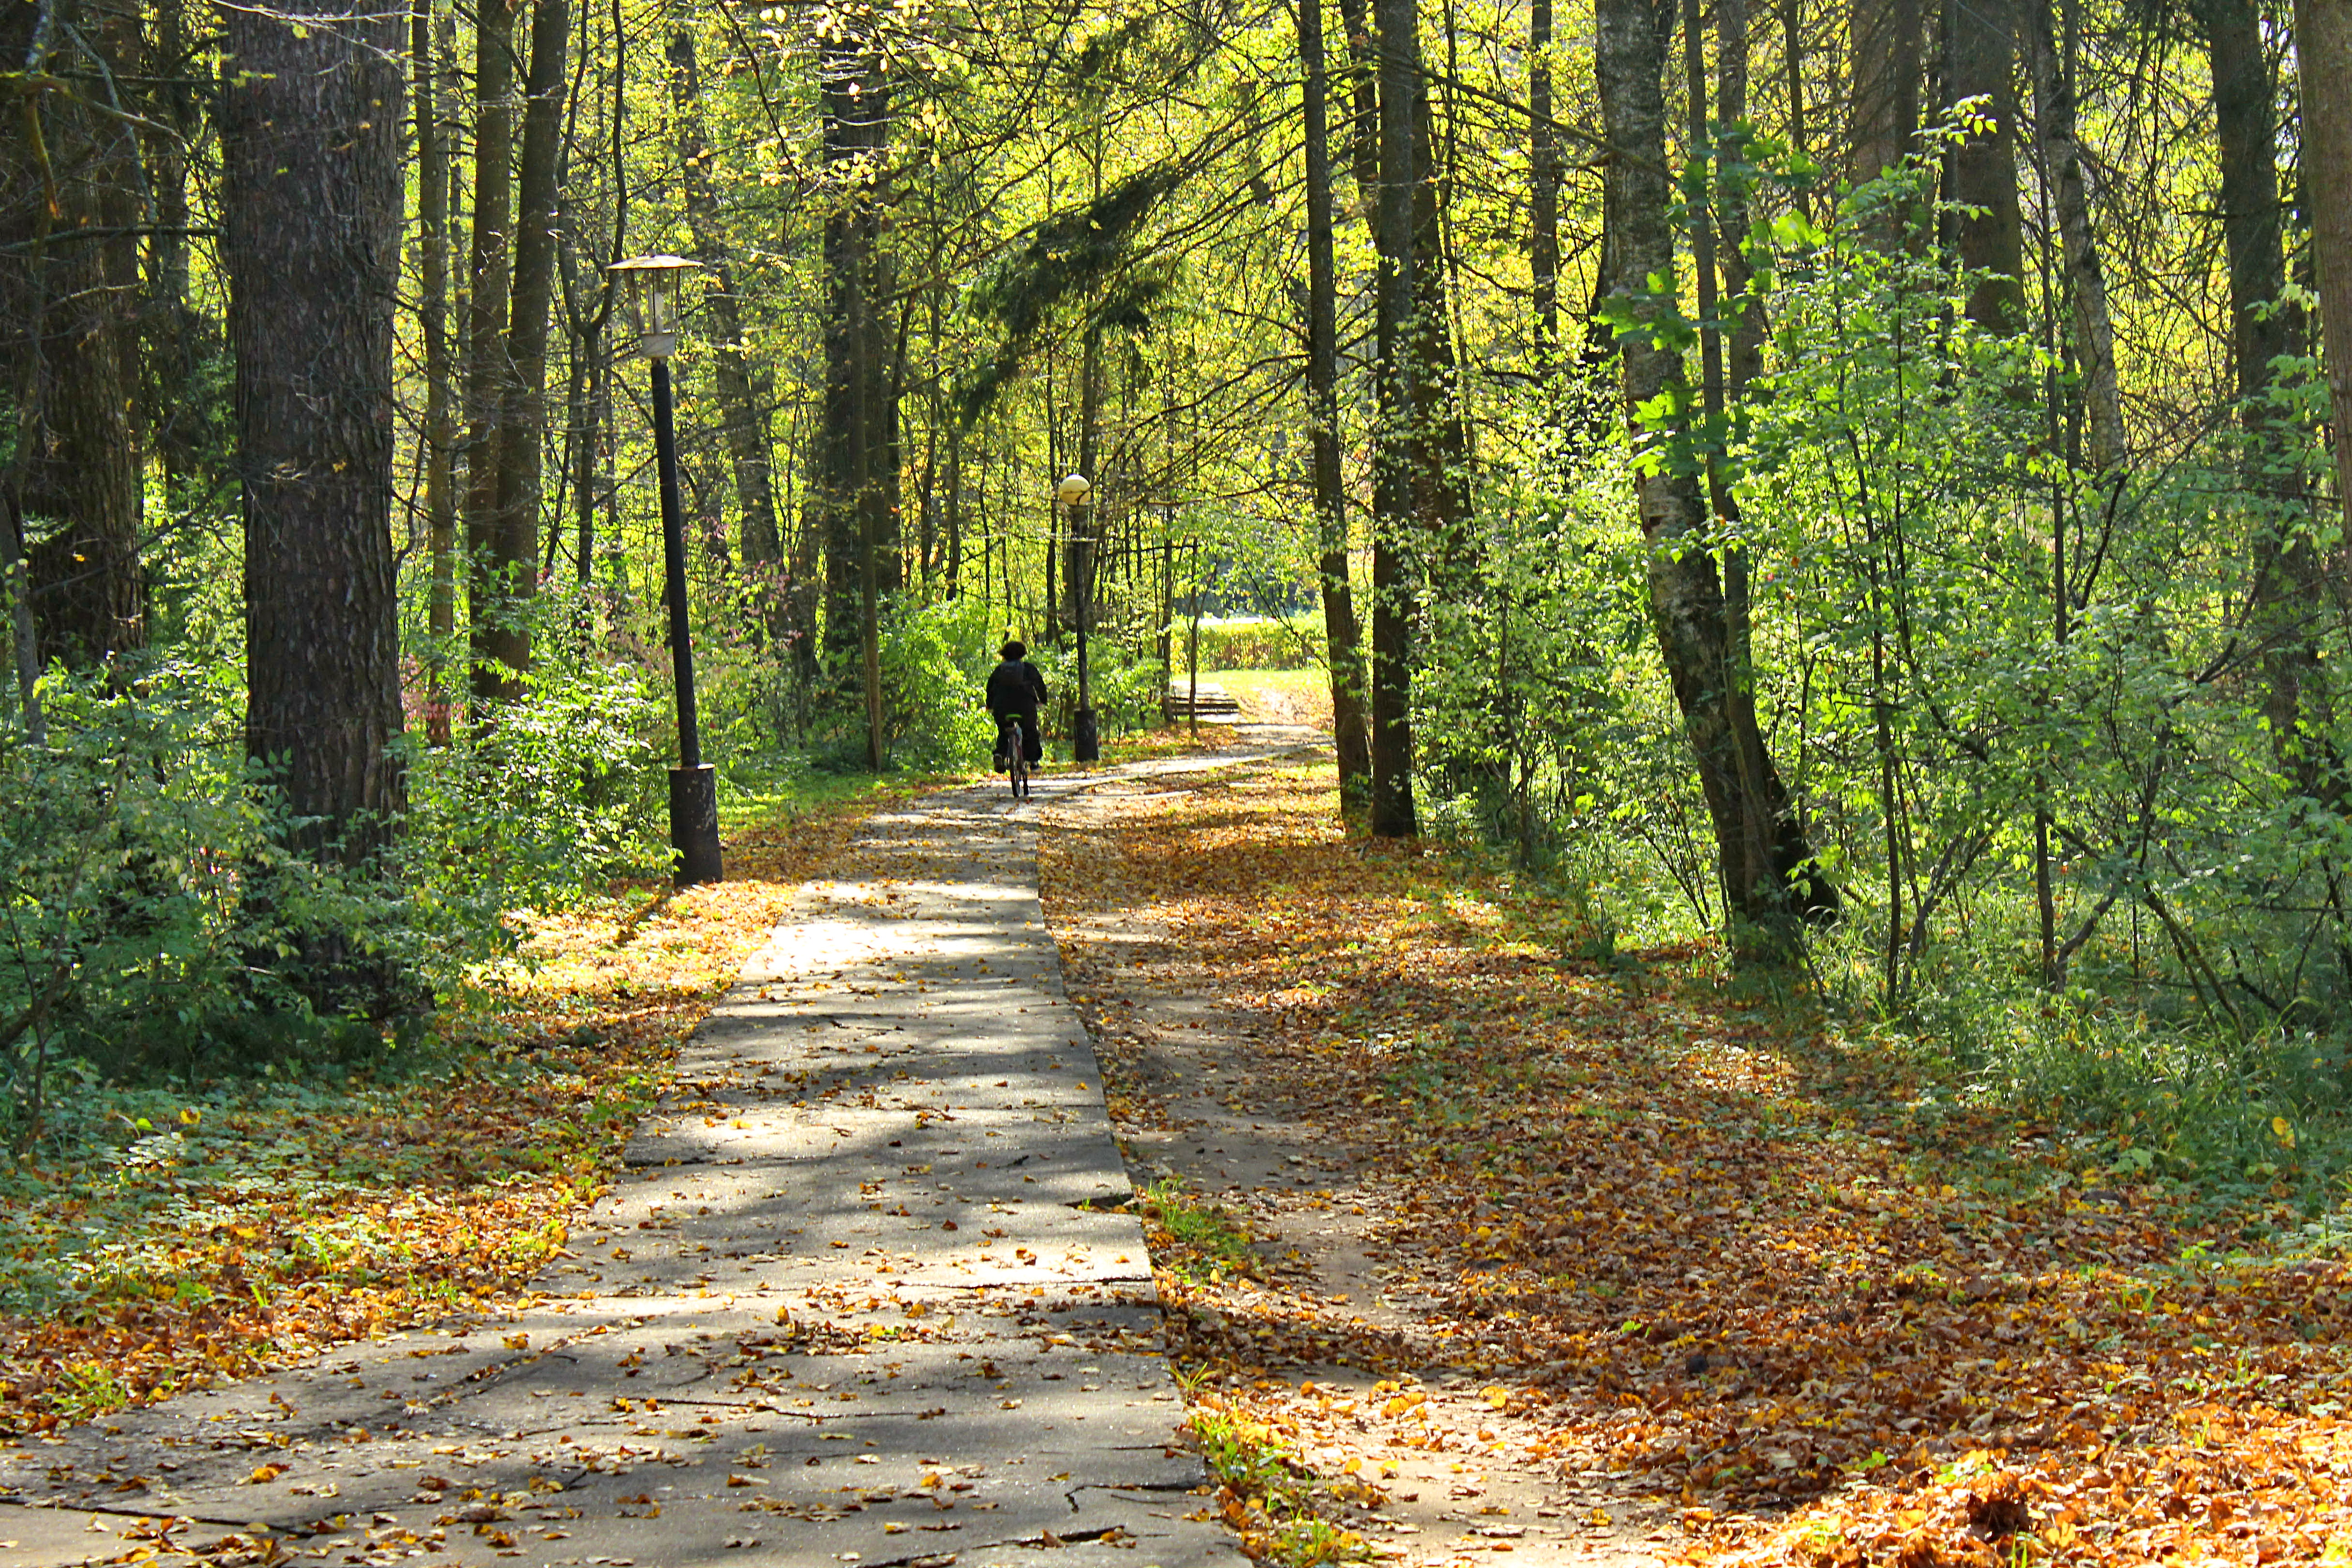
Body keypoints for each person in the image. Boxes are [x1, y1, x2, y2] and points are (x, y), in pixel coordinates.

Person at [985, 640, 1048, 770]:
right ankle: (1033, 762)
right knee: (1030, 731)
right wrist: (1043, 700)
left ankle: (1000, 754)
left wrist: (990, 705)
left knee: (1003, 731)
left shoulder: (999, 670)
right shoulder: (1028, 668)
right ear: (1022, 654)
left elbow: (990, 688)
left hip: (1002, 705)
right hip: (1025, 705)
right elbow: (1040, 685)